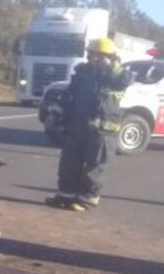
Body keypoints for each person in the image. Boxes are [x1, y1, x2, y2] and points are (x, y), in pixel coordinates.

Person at [47, 37, 130, 211]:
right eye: (93, 55)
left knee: (96, 166)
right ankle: (66, 195)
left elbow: (123, 81)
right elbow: (69, 95)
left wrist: (111, 67)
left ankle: (86, 199)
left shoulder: (117, 75)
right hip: (77, 125)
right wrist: (56, 113)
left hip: (102, 129)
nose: (96, 59)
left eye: (101, 56)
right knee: (69, 162)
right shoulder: (83, 74)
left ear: (111, 57)